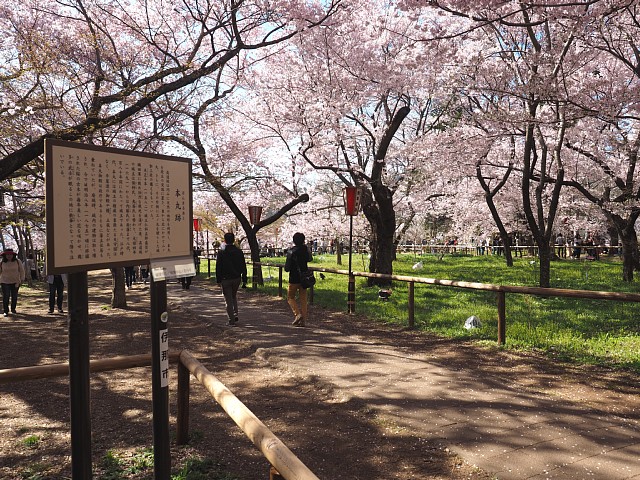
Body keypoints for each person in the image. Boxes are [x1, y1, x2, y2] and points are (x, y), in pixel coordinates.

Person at [215, 232, 247, 325]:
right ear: (233, 240)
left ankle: (231, 319)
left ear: (225, 240)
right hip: (237, 277)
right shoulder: (239, 252)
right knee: (233, 296)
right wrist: (244, 279)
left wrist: (218, 279)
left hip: (225, 279)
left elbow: (218, 267)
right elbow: (243, 266)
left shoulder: (221, 253)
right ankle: (235, 314)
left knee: (228, 299)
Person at [284, 232, 313, 327]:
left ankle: (298, 314)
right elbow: (310, 259)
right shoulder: (306, 250)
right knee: (303, 299)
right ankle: (303, 320)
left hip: (294, 278)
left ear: (294, 241)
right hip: (304, 278)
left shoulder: (291, 251)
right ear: (303, 240)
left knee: (290, 297)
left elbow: (287, 268)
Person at [0, 248, 25, 317]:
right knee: (6, 296)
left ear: (13, 255)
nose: (9, 256)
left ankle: (13, 309)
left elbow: (22, 270)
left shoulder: (17, 261)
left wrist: (22, 278)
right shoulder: (2, 262)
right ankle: (6, 311)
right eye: (7, 255)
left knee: (14, 296)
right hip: (4, 281)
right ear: (5, 255)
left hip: (15, 281)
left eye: (10, 255)